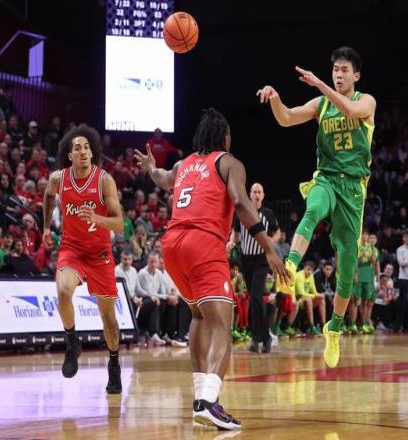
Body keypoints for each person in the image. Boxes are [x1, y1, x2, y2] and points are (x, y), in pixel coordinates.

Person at [134, 108, 288, 430]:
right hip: (203, 243)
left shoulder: (184, 164)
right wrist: (269, 248)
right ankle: (208, 401)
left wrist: (149, 168)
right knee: (221, 326)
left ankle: (199, 398)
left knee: (200, 317)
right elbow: (241, 203)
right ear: (225, 137)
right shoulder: (229, 162)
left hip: (172, 245)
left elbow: (162, 179)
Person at [257, 46, 376, 367]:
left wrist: (320, 84)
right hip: (326, 179)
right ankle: (290, 267)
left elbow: (350, 110)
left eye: (344, 70)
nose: (338, 74)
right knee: (313, 209)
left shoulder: (367, 102)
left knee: (347, 268)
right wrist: (275, 99)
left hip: (353, 189)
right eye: (335, 69)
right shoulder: (321, 104)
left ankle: (333, 328)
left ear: (356, 75)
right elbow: (286, 118)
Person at [42, 124, 124, 394]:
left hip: (100, 254)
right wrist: (46, 228)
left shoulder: (104, 180)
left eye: (87, 147)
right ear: (70, 156)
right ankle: (72, 341)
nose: (83, 151)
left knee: (108, 319)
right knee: (63, 291)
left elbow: (119, 224)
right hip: (73, 249)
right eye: (78, 148)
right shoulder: (58, 179)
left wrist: (97, 218)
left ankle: (113, 362)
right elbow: (47, 196)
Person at [231, 182, 280, 354]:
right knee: (254, 300)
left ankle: (261, 338)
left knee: (256, 298)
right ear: (250, 194)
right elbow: (235, 233)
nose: (257, 195)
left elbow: (277, 232)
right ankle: (260, 338)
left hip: (262, 261)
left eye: (259, 192)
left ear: (263, 195)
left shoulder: (268, 214)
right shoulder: (242, 212)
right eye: (254, 192)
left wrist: (270, 242)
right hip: (246, 260)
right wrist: (231, 243)